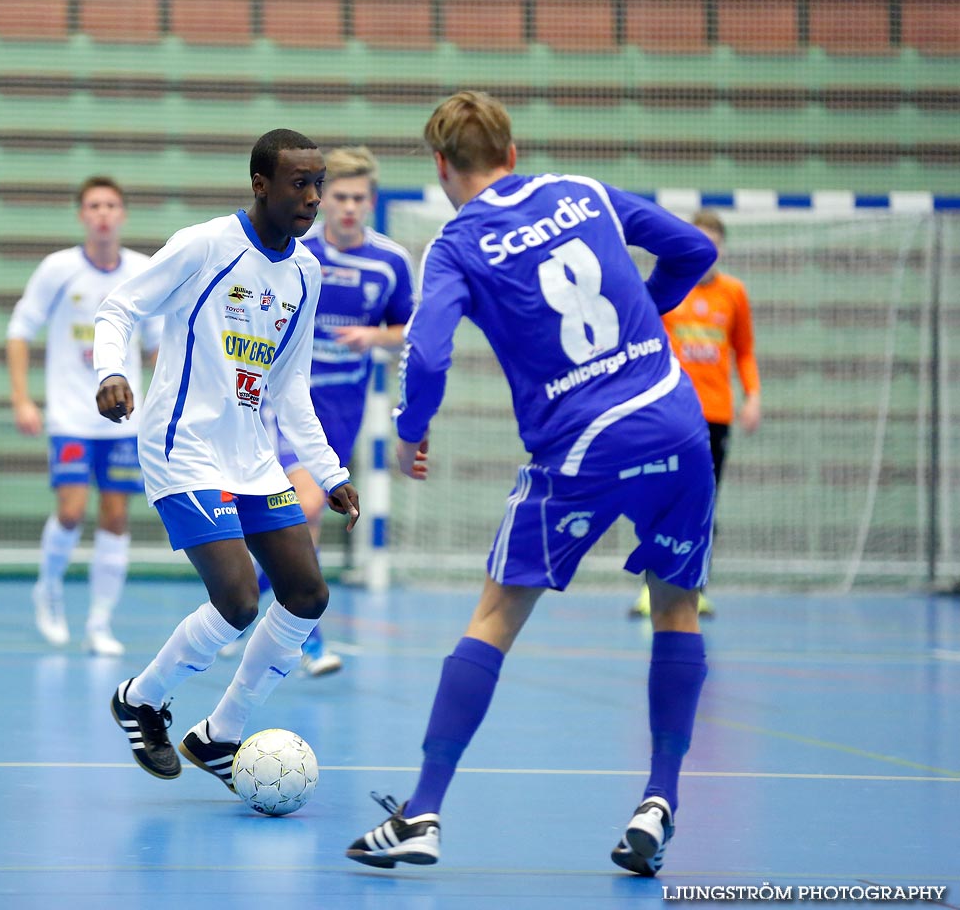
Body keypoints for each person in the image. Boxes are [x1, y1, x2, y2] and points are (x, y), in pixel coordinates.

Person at [345, 92, 718, 877]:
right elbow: (693, 250)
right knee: (676, 608)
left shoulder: (453, 244)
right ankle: (659, 798)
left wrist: (411, 433)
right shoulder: (583, 191)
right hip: (675, 423)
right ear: (512, 153)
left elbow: (430, 354)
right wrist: (645, 319)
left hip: (580, 447)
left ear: (442, 167)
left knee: (496, 615)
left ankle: (424, 812)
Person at [93, 129, 361, 788]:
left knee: (306, 594)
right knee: (239, 599)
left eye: (317, 183)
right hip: (180, 445)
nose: (312, 197)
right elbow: (120, 306)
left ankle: (221, 734)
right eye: (298, 182)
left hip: (252, 453)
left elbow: (290, 386)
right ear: (260, 184)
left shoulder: (306, 272)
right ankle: (141, 698)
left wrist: (328, 472)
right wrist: (109, 373)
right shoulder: (206, 244)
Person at [235, 146, 415, 676]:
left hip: (345, 409)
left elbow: (413, 329)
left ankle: (240, 604)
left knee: (302, 522)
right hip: (287, 404)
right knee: (305, 509)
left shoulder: (390, 262)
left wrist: (374, 336)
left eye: (359, 198)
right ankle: (294, 631)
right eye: (339, 196)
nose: (349, 207)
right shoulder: (296, 252)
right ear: (322, 196)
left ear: (372, 201)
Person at [5, 175, 160, 656]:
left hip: (122, 421)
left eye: (112, 205)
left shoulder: (142, 269)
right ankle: (48, 589)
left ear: (123, 214)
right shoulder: (58, 269)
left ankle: (99, 623)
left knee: (115, 518)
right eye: (94, 205)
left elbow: (157, 345)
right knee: (71, 512)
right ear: (81, 215)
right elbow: (19, 330)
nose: (103, 213)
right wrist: (21, 398)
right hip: (71, 415)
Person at [629, 208, 760, 619]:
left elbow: (745, 351)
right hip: (669, 416)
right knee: (661, 504)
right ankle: (653, 591)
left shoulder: (734, 294)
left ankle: (693, 589)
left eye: (714, 245)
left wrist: (753, 395)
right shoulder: (670, 288)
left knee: (703, 508)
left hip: (715, 416)